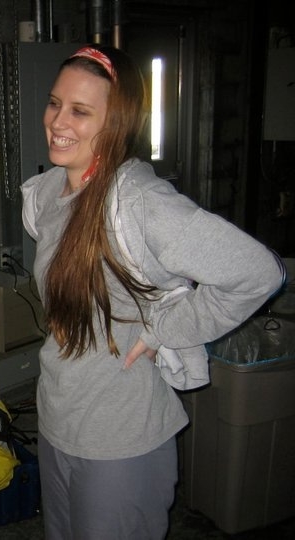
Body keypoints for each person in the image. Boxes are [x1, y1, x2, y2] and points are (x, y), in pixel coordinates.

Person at [21, 45, 283, 539]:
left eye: (81, 111)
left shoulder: (140, 202)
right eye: (55, 103)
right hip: (58, 421)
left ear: (115, 122)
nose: (59, 120)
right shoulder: (46, 195)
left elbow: (256, 272)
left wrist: (165, 328)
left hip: (122, 439)